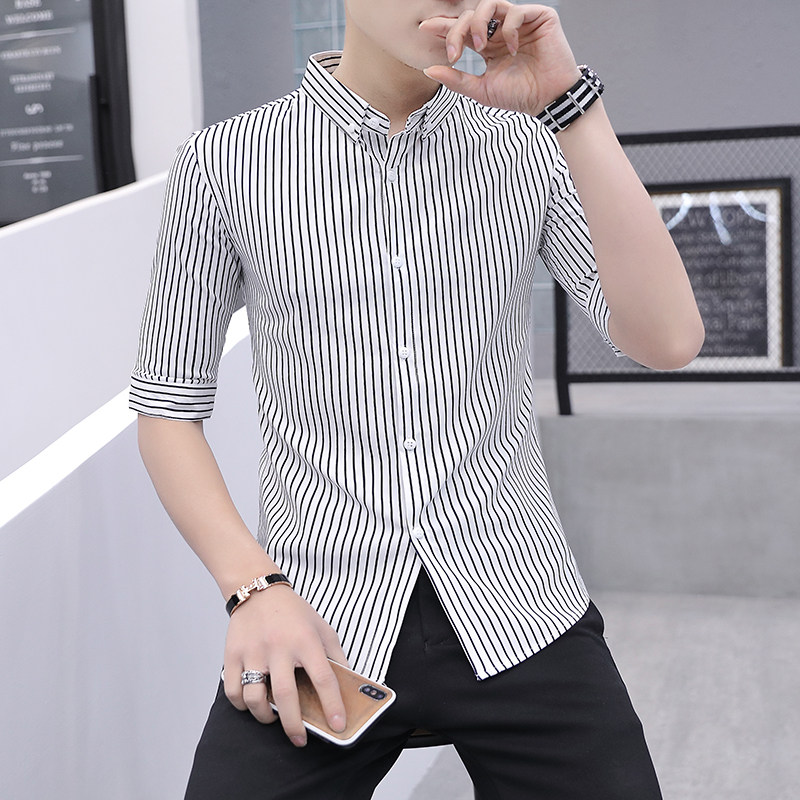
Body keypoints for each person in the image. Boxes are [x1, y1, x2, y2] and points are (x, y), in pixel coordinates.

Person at [132, 1, 704, 797]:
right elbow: (167, 408)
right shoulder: (225, 162)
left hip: (520, 603)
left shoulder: (527, 144)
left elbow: (668, 339)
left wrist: (570, 105)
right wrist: (253, 590)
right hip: (319, 621)